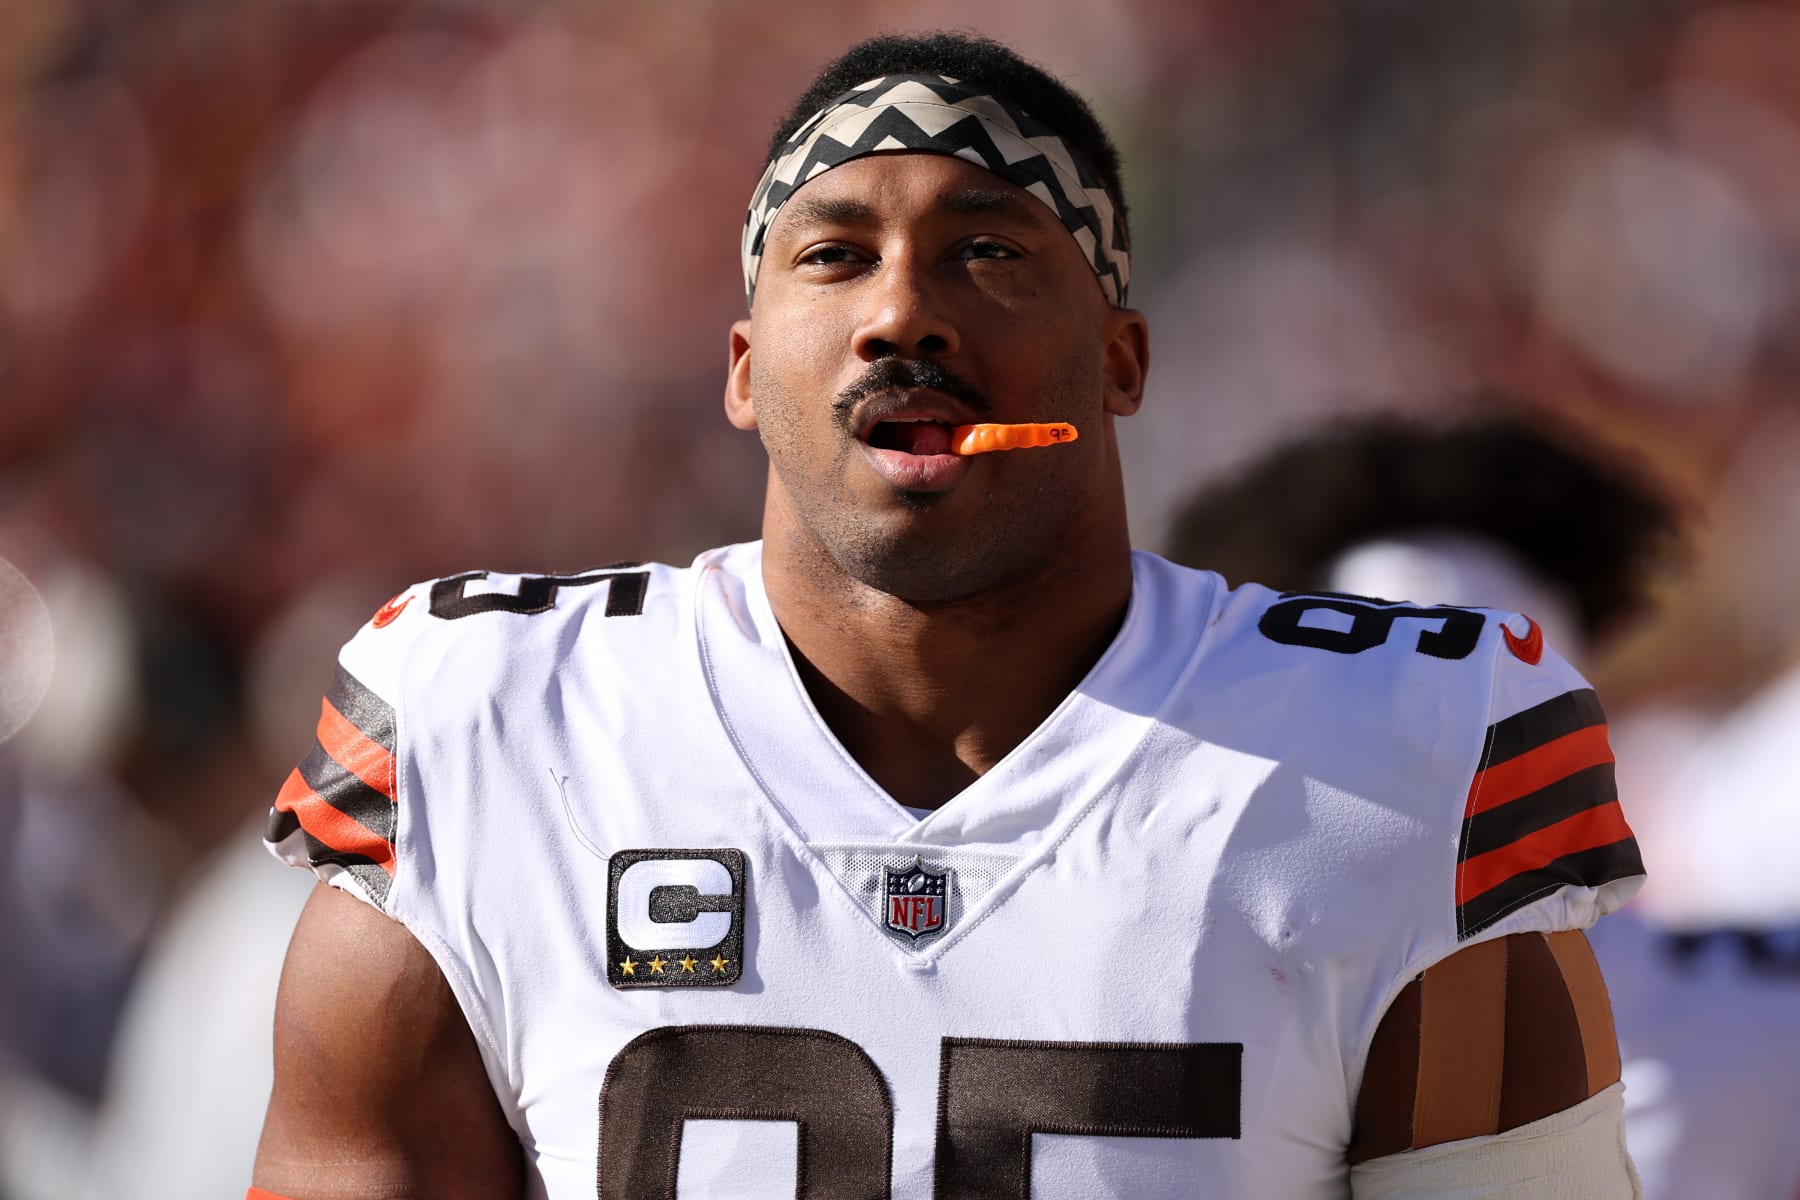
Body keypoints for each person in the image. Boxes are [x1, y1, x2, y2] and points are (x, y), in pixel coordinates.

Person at [251, 35, 1645, 1198]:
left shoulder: (1394, 764)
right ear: (744, 370)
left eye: (987, 254)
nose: (902, 313)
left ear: (1118, 361)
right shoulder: (486, 730)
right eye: (833, 256)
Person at [1167, 412, 1800, 1200]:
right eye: (1399, 732)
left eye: (1506, 719)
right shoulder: (1190, 1043)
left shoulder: (1760, 1023)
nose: (1454, 776)